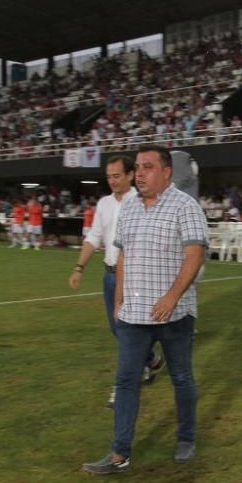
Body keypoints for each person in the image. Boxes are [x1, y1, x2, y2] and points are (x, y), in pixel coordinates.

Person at [83, 147, 209, 474]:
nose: (139, 174)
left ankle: (185, 437)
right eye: (137, 168)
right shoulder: (130, 209)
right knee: (126, 381)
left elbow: (194, 256)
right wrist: (118, 300)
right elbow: (122, 255)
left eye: (147, 167)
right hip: (134, 315)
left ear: (166, 171)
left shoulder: (186, 206)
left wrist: (171, 297)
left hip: (175, 313)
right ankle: (118, 453)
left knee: (181, 378)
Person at [68, 155, 165, 407]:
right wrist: (79, 267)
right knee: (118, 330)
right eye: (108, 177)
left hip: (135, 277)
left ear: (130, 175)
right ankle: (150, 359)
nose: (111, 181)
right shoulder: (104, 204)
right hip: (110, 275)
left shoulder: (143, 201)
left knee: (127, 332)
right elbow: (94, 237)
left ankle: (122, 387)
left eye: (116, 176)